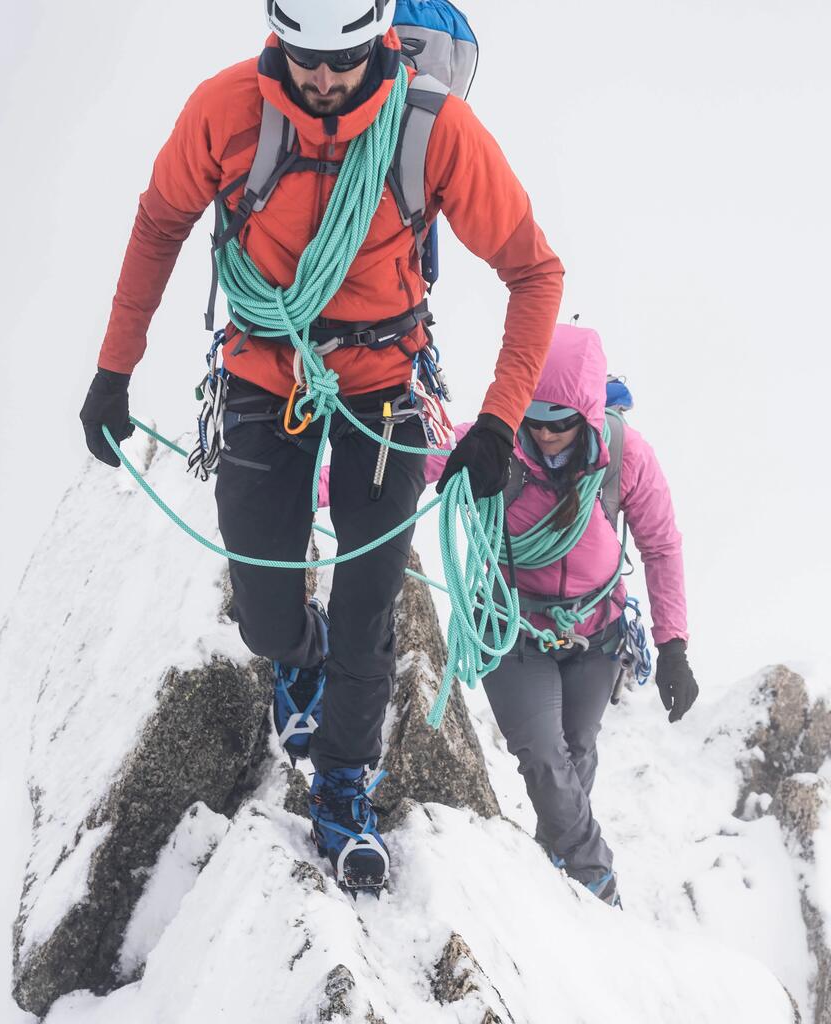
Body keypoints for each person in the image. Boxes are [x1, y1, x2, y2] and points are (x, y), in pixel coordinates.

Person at [79, 0, 564, 893]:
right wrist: (114, 370)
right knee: (263, 608)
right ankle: (296, 659)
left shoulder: (432, 129)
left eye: (340, 61)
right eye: (303, 58)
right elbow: (159, 223)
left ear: (377, 42)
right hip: (266, 375)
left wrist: (497, 421)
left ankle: (345, 788)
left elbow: (536, 272)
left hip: (385, 387)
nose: (322, 79)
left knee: (370, 605)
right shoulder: (227, 111)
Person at [427, 323, 697, 908]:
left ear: (588, 413)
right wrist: (310, 489)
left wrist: (672, 644)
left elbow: (661, 545)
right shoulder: (494, 445)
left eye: (561, 421)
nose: (546, 434)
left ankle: (552, 870)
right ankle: (594, 877)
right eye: (536, 418)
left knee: (578, 747)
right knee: (545, 755)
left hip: (596, 633)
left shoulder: (625, 455)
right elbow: (412, 461)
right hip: (512, 626)